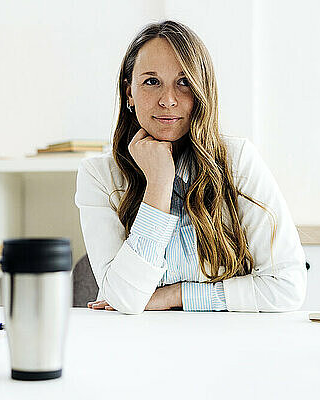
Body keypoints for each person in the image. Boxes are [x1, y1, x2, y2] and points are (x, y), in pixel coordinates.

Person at [74, 20, 306, 315]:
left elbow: (287, 288)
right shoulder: (99, 175)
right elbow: (124, 299)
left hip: (229, 345)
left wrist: (176, 295)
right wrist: (159, 184)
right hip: (135, 346)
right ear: (129, 92)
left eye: (184, 82)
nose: (167, 100)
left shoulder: (238, 160)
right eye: (151, 81)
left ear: (201, 90)